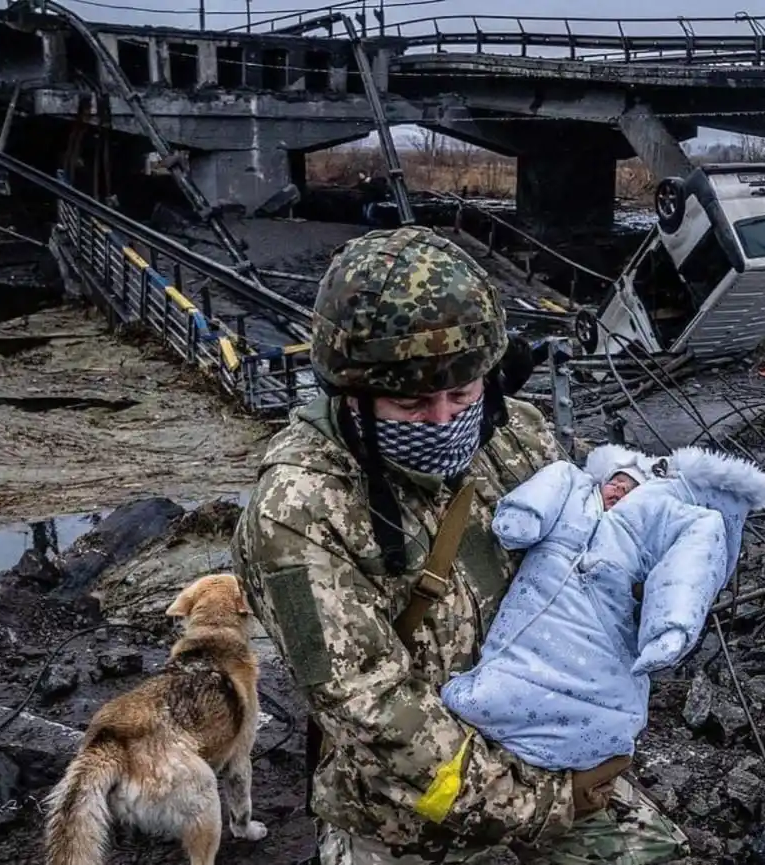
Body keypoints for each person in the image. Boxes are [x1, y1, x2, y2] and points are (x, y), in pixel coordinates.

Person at [231, 226, 689, 865]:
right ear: (352, 396)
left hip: (545, 744)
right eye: (411, 402)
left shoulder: (514, 438)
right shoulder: (300, 510)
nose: (444, 420)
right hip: (405, 813)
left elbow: (592, 566)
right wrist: (551, 801)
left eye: (462, 395)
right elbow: (372, 713)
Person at [441, 444, 765, 773]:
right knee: (509, 673)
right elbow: (550, 484)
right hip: (538, 609)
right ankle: (494, 709)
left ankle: (588, 742)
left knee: (605, 695)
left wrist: (671, 626)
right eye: (615, 480)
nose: (619, 488)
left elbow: (688, 565)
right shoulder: (573, 489)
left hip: (602, 619)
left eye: (630, 487)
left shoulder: (651, 520)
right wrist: (525, 515)